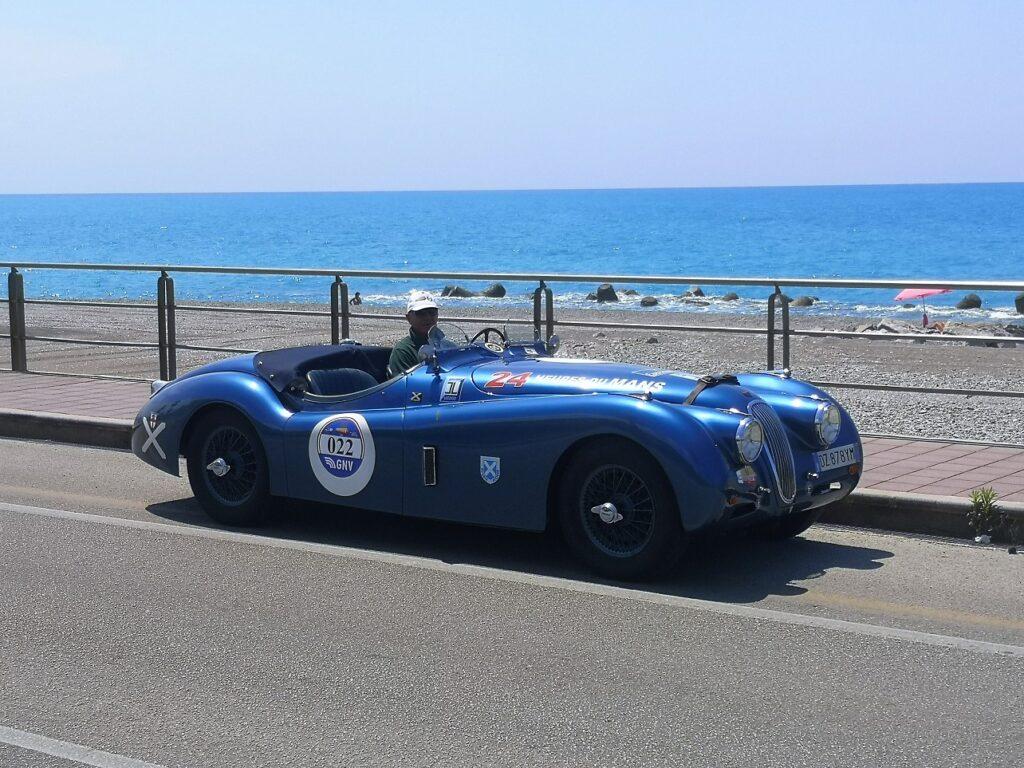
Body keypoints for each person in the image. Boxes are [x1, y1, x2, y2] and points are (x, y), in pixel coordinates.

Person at [387, 291, 439, 376]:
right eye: (421, 313)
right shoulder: (403, 351)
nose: (428, 317)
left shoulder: (447, 346)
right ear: (409, 318)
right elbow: (404, 385)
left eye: (432, 312)